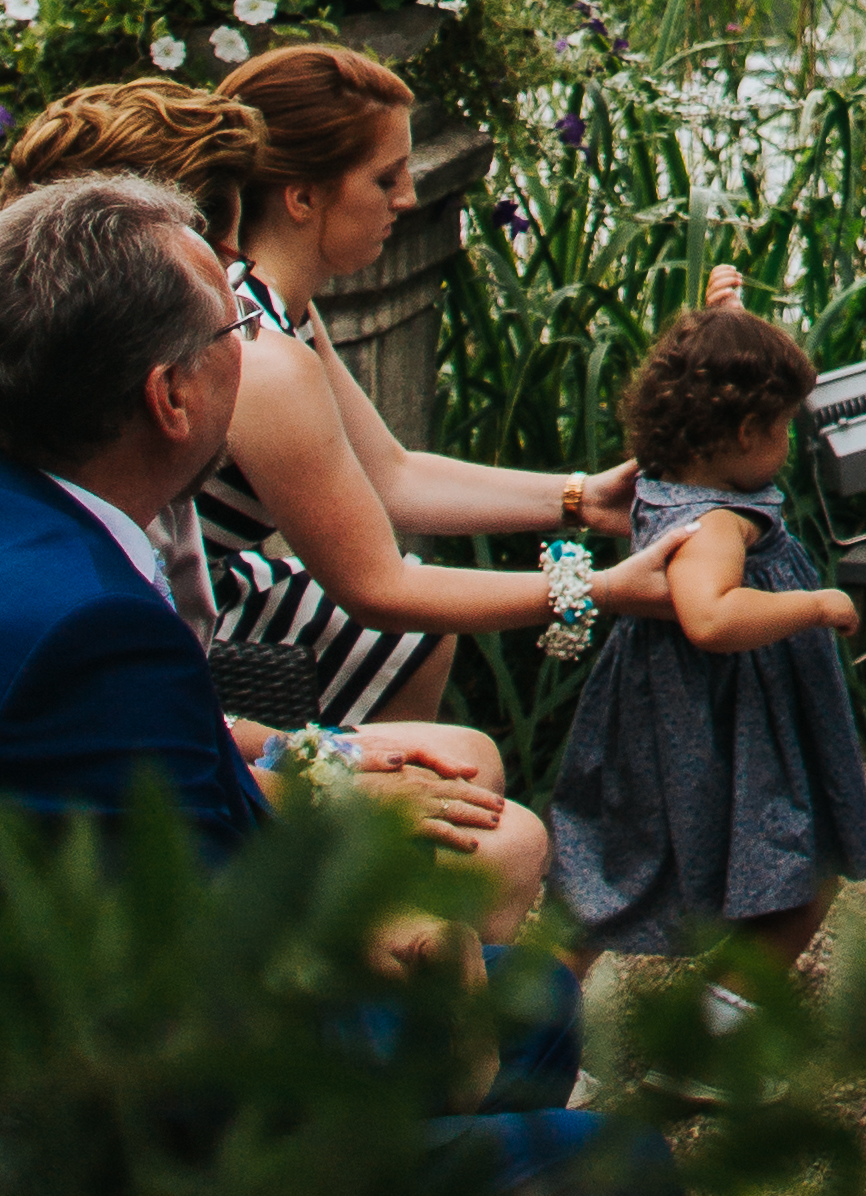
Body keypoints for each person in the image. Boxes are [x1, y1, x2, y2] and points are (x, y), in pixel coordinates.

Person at [0, 166, 685, 1196]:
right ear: (175, 396)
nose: (250, 343)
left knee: (519, 1013)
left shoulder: (54, 540)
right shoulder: (88, 619)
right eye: (224, 330)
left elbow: (120, 820)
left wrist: (304, 799)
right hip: (95, 1188)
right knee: (609, 1176)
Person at [0, 80, 554, 930]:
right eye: (221, 244)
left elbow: (394, 475)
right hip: (159, 821)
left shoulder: (78, 426)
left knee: (460, 758)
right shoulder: (208, 380)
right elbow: (147, 792)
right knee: (498, 837)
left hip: (190, 720)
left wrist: (583, 498)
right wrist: (334, 790)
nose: (239, 284)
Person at [129, 44, 673, 721]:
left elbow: (392, 476)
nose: (409, 197)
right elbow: (377, 589)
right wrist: (600, 588)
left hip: (206, 591)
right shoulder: (258, 354)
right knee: (407, 627)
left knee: (416, 637)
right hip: (166, 628)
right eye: (386, 179)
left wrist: (582, 499)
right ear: (301, 198)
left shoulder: (273, 305)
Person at [548, 296, 866, 964]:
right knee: (801, 874)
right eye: (785, 427)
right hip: (725, 722)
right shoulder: (719, 521)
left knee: (621, 874)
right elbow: (710, 616)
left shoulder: (664, 481)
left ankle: (548, 1019)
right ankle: (721, 1035)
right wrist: (816, 606)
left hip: (674, 707)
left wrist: (722, 313)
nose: (789, 444)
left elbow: (705, 379)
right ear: (747, 431)